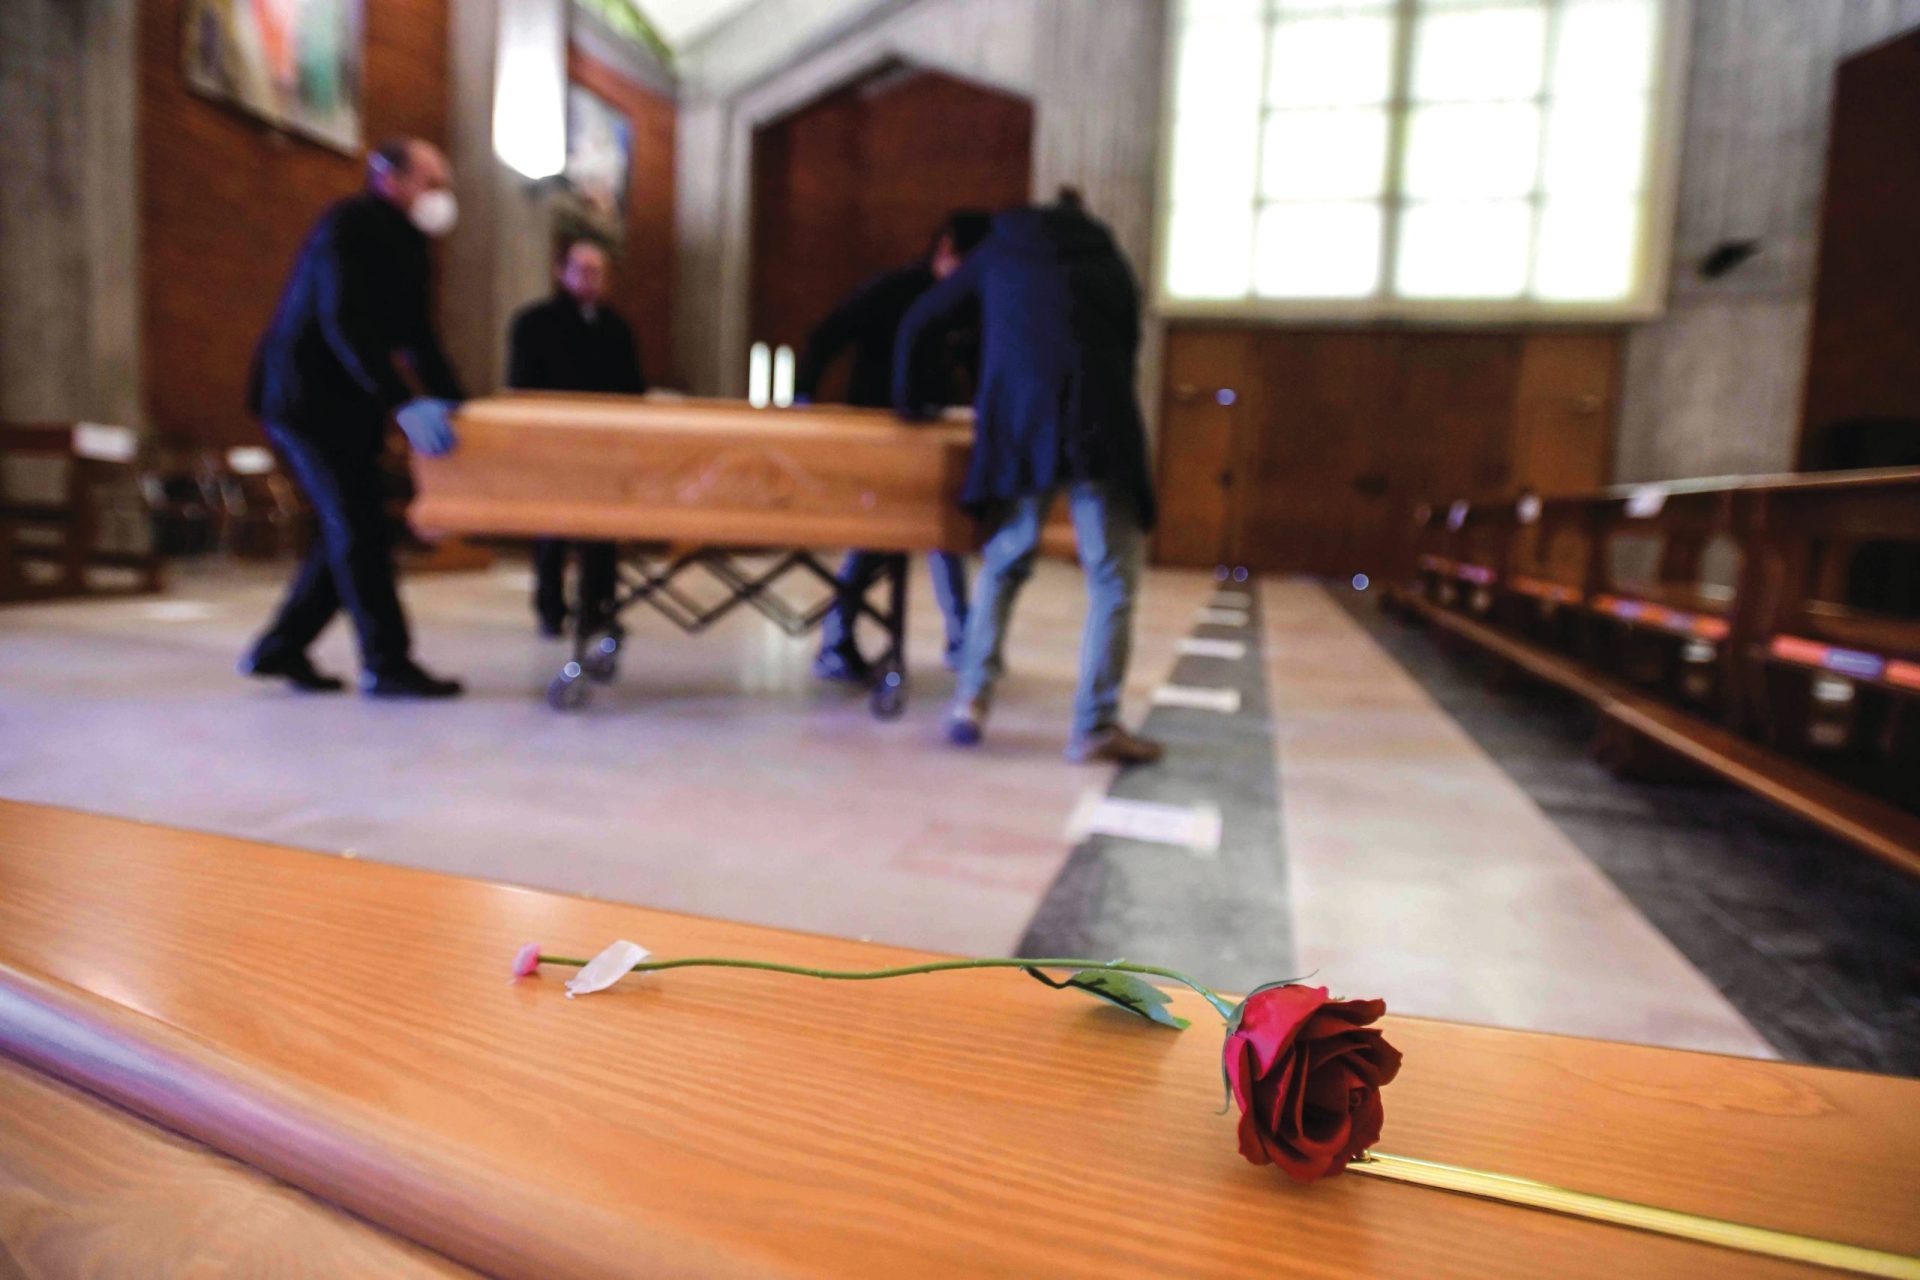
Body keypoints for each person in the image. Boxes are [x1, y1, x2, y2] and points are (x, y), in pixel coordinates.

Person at [893, 190, 1162, 764]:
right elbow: (1131, 343)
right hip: (1101, 424)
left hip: (1020, 424)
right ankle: (1094, 726)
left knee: (1005, 560)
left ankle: (970, 701)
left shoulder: (999, 253)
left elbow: (921, 319)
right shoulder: (1109, 259)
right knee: (1112, 580)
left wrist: (910, 402)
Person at [240, 137, 467, 698]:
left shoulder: (412, 246)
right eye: (431, 182)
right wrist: (403, 400)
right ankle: (387, 663)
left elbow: (418, 338)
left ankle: (281, 647)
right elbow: (343, 321)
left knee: (356, 528)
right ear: (390, 179)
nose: (440, 196)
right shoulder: (348, 226)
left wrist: (462, 404)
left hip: (351, 404)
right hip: (306, 399)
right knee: (359, 528)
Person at [795, 210, 992, 683]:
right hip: (880, 432)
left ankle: (962, 639)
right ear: (946, 250)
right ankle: (836, 638)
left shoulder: (965, 302)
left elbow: (979, 360)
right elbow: (827, 335)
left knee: (946, 534)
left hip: (933, 434)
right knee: (873, 542)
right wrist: (803, 401)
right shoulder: (891, 290)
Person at [507, 236, 649, 637]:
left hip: (605, 444)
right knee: (552, 530)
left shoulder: (616, 328)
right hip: (553, 442)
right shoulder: (533, 323)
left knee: (602, 532)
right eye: (583, 270)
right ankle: (551, 609)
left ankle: (597, 606)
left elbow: (632, 389)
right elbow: (522, 385)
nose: (591, 279)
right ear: (562, 272)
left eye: (598, 272)